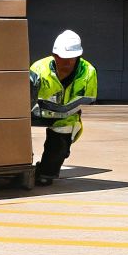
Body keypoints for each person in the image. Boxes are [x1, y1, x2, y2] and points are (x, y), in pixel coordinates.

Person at [29, 30, 97, 185]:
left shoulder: (88, 72)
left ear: (77, 57)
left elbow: (88, 100)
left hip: (67, 114)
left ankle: (47, 172)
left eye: (70, 58)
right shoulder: (39, 69)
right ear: (54, 55)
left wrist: (65, 113)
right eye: (61, 58)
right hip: (36, 111)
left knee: (62, 139)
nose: (65, 62)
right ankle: (21, 166)